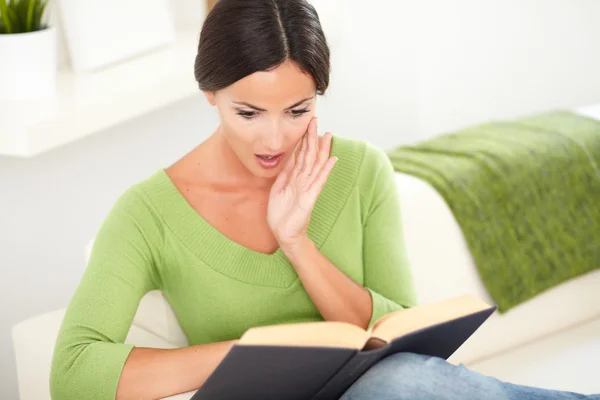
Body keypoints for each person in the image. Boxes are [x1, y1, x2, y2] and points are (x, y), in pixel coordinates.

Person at [49, 1, 599, 399]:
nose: (275, 141)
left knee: (397, 380)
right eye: (248, 113)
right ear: (210, 94)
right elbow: (74, 371)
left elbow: (402, 335)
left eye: (299, 111)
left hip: (392, 392)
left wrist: (297, 244)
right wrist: (246, 356)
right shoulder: (148, 213)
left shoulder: (360, 170)